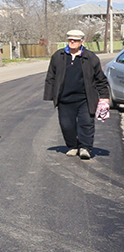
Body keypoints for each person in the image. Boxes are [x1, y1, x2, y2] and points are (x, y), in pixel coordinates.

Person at [43, 29, 110, 160]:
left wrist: (104, 96)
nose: (72, 42)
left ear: (82, 41)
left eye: (75, 40)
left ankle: (85, 147)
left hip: (85, 98)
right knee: (66, 125)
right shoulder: (59, 56)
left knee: (86, 123)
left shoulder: (90, 57)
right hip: (65, 99)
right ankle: (73, 146)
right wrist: (50, 94)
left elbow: (100, 79)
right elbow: (51, 76)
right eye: (70, 39)